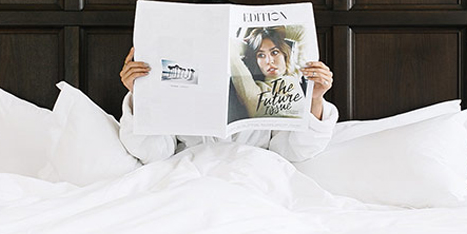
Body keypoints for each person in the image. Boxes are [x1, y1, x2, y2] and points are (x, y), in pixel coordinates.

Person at [118, 43, 338, 164]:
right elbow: (153, 153)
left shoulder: (270, 91)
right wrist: (140, 94)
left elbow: (294, 151)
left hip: (255, 180)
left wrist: (315, 99)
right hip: (190, 182)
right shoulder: (174, 87)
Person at [230, 25, 310, 119]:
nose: (269, 61)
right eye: (261, 55)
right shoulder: (253, 91)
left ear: (284, 55)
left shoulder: (294, 76)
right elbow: (230, 48)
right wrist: (250, 44)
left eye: (274, 52)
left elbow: (302, 32)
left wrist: (271, 32)